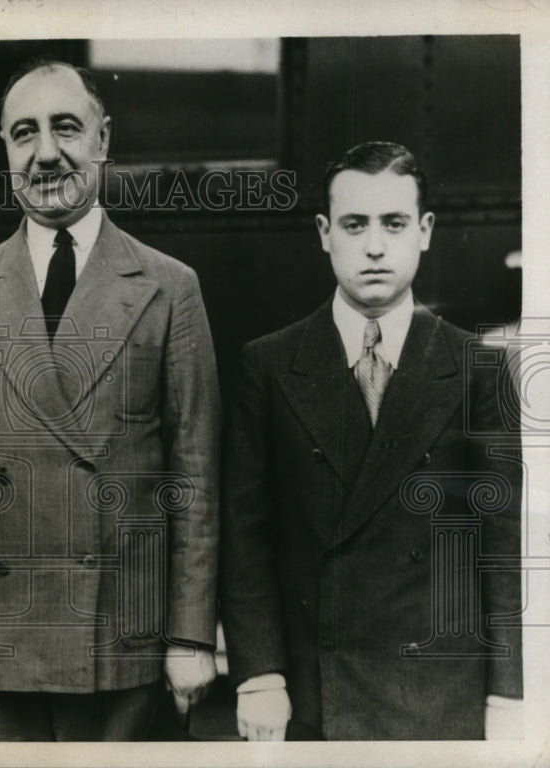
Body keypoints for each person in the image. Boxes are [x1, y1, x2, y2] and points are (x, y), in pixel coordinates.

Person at [0, 60, 220, 741]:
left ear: (103, 139)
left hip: (122, 638)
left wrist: (191, 635)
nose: (46, 152)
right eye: (24, 134)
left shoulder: (169, 287)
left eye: (65, 128)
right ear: (6, 152)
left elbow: (195, 478)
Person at [220, 141, 523, 740]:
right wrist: (259, 677)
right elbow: (245, 534)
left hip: (441, 693)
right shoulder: (271, 364)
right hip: (312, 694)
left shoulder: (476, 368)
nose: (376, 246)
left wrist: (508, 694)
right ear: (324, 232)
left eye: (394, 223)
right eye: (355, 225)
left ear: (425, 231)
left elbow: (503, 544)